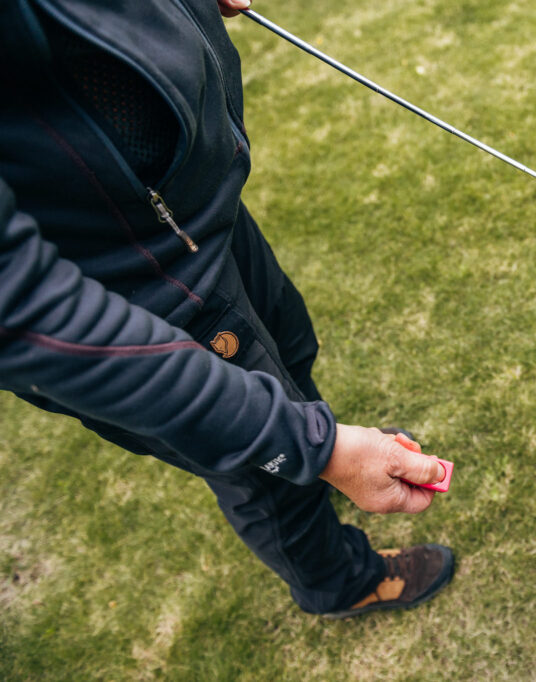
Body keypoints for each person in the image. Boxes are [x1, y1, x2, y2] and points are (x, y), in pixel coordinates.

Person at [0, 0, 453, 618]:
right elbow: (28, 312)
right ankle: (338, 581)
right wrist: (313, 449)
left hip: (192, 211)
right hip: (131, 290)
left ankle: (326, 455)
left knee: (290, 350)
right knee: (268, 464)